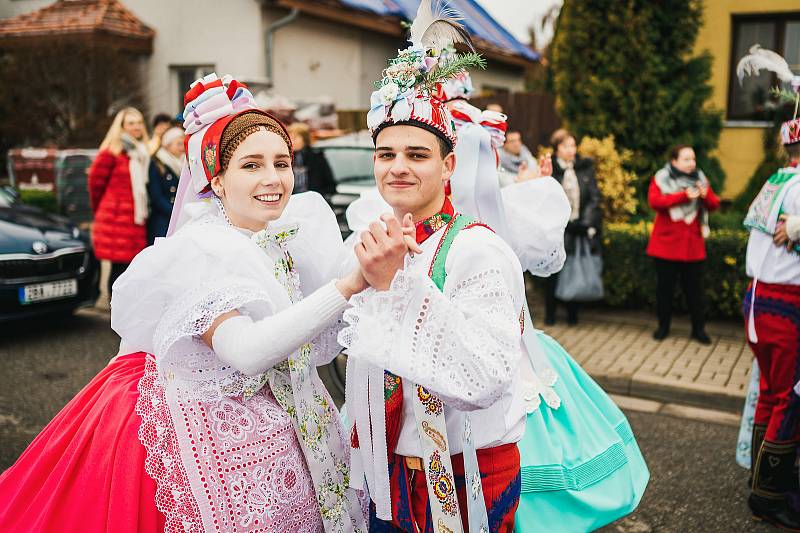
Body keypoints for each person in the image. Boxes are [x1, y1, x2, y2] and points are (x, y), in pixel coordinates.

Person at [0, 74, 380, 532]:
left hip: (279, 422)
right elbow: (248, 352)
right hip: (195, 428)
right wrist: (347, 287)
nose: (272, 178)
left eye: (281, 163)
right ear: (216, 181)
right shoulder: (202, 251)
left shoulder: (281, 237)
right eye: (251, 165)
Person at [430, 64, 649, 533]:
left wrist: (534, 187)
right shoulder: (486, 207)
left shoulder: (498, 212)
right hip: (442, 365)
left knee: (497, 451)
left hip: (501, 350)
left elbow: (543, 259)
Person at [742, 119, 800, 529]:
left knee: (770, 391)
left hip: (758, 298)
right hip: (785, 301)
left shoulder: (775, 180)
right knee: (790, 397)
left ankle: (760, 476)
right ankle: (768, 495)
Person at [646, 144, 720, 344]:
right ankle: (663, 327)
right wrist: (683, 196)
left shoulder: (700, 179)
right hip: (666, 246)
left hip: (692, 246)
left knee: (695, 292)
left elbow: (714, 205)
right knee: (665, 291)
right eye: (686, 159)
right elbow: (655, 202)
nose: (692, 163)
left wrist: (706, 196)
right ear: (674, 161)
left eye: (693, 159)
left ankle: (699, 330)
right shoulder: (661, 178)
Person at [87, 107, 150, 297]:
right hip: (116, 219)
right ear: (121, 127)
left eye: (139, 122)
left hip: (135, 219)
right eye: (131, 123)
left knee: (131, 269)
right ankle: (115, 313)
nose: (136, 127)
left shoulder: (141, 152)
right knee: (119, 269)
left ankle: (125, 310)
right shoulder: (111, 152)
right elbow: (94, 184)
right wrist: (103, 210)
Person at [545, 128, 602, 326]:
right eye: (566, 146)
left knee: (575, 266)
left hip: (580, 226)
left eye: (573, 145)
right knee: (554, 270)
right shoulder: (550, 169)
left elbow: (593, 197)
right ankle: (550, 313)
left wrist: (584, 223)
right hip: (558, 228)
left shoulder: (584, 167)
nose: (571, 150)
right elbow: (547, 199)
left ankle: (572, 314)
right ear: (557, 148)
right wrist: (563, 222)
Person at [146, 126, 183, 243]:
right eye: (178, 144)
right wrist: (174, 212)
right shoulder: (157, 164)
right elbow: (156, 196)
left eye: (183, 144)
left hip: (179, 218)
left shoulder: (184, 164)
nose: (182, 148)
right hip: (162, 220)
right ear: (167, 144)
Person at [287, 122, 337, 197]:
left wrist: (319, 196)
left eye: (295, 138)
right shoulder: (286, 157)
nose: (292, 141)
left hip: (312, 200)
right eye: (290, 138)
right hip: (291, 200)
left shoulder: (316, 157)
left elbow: (330, 184)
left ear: (304, 139)